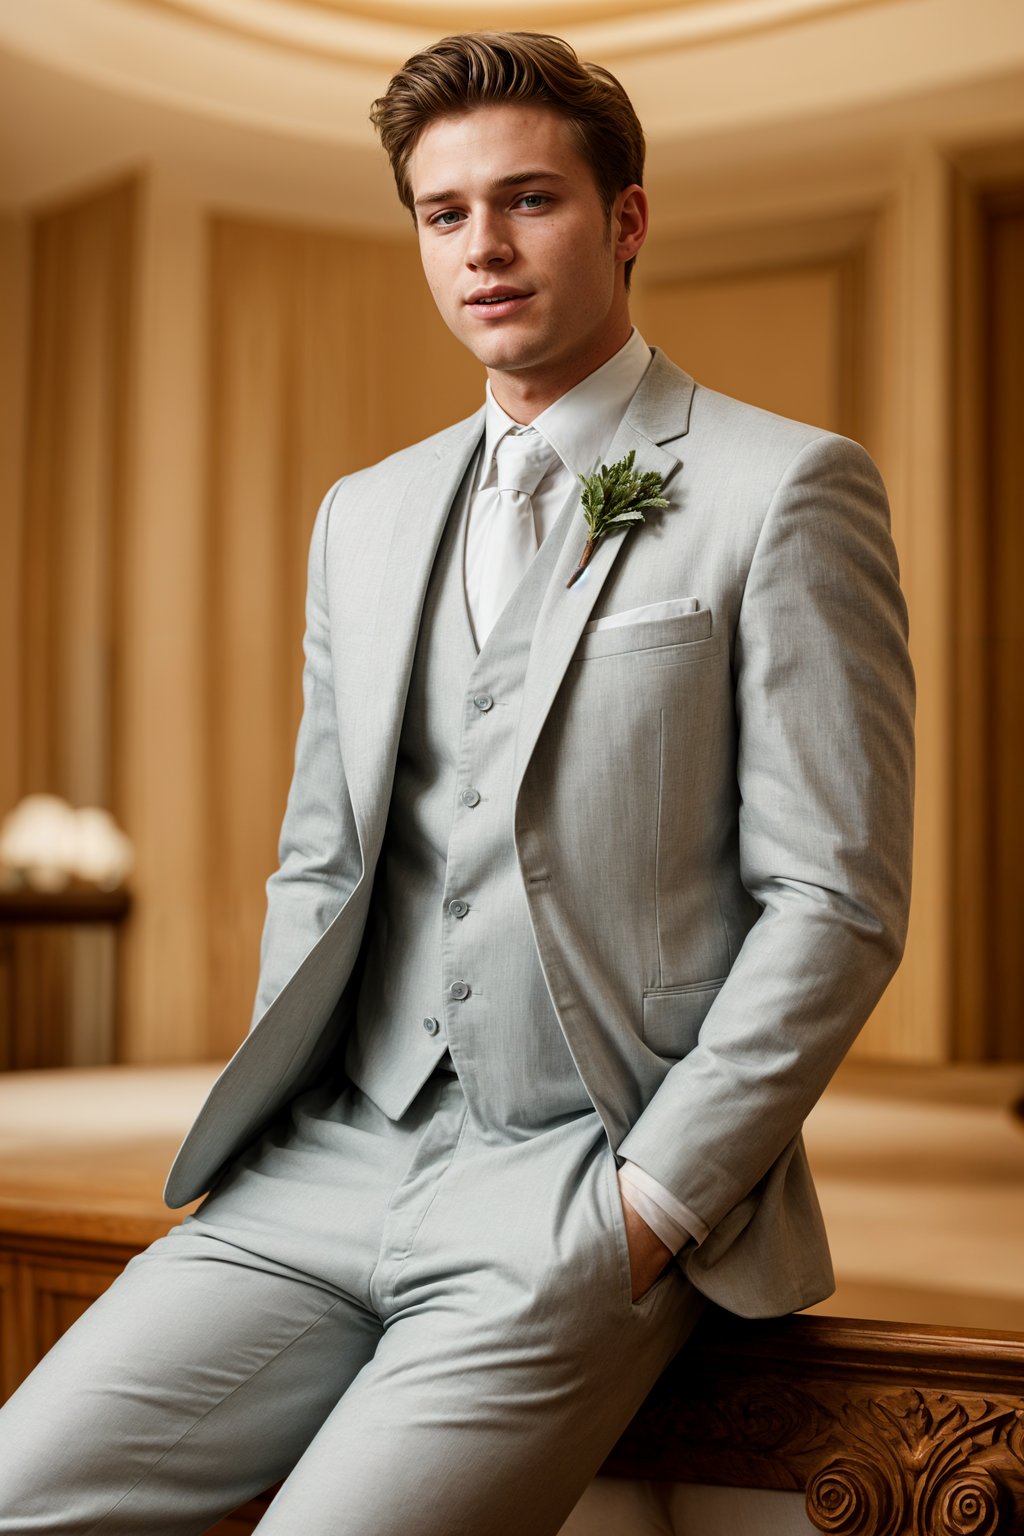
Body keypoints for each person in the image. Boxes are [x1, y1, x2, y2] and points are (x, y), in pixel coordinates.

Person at [0, 30, 914, 1536]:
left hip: (577, 1186)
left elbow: (836, 898)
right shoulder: (363, 516)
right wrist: (292, 1099)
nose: (482, 247)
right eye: (443, 213)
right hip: (324, 1164)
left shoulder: (785, 489)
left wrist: (653, 1209)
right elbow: (322, 852)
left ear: (625, 219)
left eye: (530, 200)